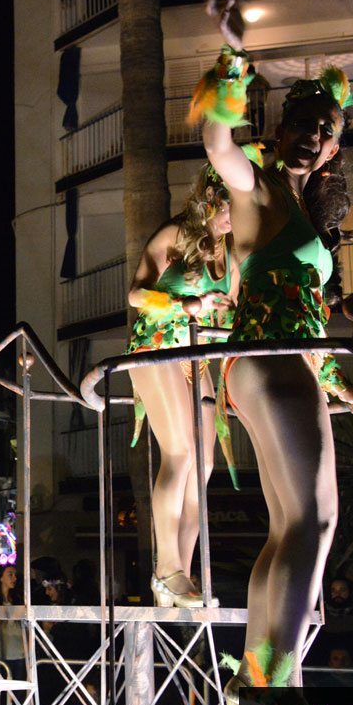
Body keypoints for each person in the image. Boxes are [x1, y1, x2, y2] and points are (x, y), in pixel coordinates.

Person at [197, 0, 353, 705]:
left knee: (292, 525)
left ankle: (256, 679)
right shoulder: (255, 183)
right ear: (283, 125)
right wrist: (233, 54)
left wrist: (339, 347)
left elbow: (297, 302)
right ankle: (274, 685)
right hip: (268, 357)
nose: (310, 136)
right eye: (302, 122)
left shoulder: (297, 211)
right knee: (315, 522)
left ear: (330, 149)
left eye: (323, 131)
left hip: (275, 360)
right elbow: (217, 146)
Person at [126, 165, 237, 608]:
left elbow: (226, 313)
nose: (236, 214)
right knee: (181, 452)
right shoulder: (174, 233)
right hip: (157, 344)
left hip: (196, 357)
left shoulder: (229, 253)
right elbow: (137, 294)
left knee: (204, 465)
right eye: (231, 203)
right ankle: (167, 567)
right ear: (211, 196)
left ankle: (181, 574)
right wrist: (185, 303)